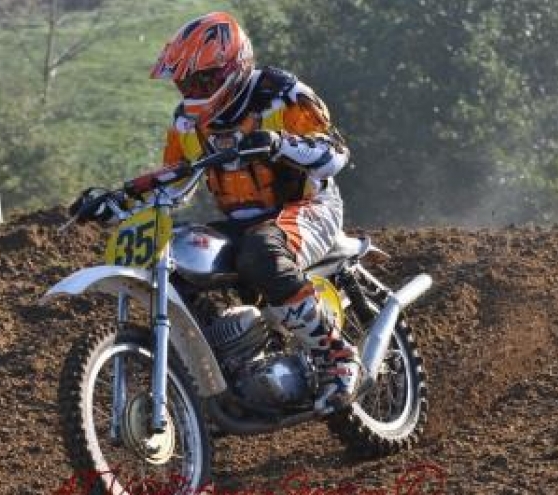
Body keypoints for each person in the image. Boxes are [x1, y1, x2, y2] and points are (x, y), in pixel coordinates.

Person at [73, 12, 360, 411]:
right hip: (243, 222)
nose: (193, 91)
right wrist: (118, 200)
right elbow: (173, 180)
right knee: (175, 255)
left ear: (233, 68)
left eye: (202, 81)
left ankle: (336, 355)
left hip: (308, 206)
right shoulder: (187, 124)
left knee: (261, 252)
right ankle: (229, 360)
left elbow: (335, 155)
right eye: (186, 83)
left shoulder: (279, 93)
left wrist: (279, 143)